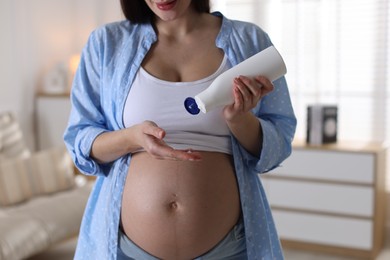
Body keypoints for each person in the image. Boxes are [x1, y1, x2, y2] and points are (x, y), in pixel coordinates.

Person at [64, 0, 296, 259]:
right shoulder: (106, 44)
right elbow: (80, 140)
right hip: (127, 250)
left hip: (229, 249)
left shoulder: (250, 41)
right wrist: (132, 138)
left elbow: (279, 143)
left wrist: (239, 119)